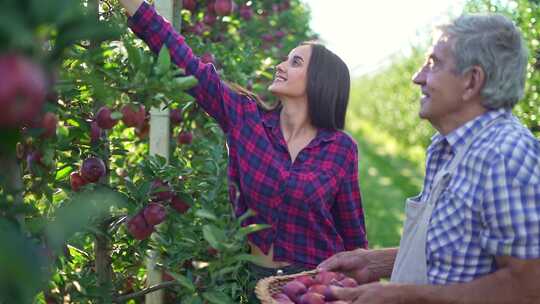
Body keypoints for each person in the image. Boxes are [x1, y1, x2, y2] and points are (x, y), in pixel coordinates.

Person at [118, 0, 368, 279]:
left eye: (294, 62)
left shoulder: (341, 149)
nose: (280, 65)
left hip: (316, 285)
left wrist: (360, 288)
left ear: (319, 81)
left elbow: (353, 234)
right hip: (257, 279)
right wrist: (134, 6)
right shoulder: (247, 118)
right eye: (285, 58)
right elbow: (188, 65)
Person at [317, 13, 540, 304]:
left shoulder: (505, 156)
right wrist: (376, 263)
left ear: (471, 81)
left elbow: (527, 288)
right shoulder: (447, 147)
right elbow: (452, 253)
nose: (417, 77)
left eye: (433, 63)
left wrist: (404, 297)